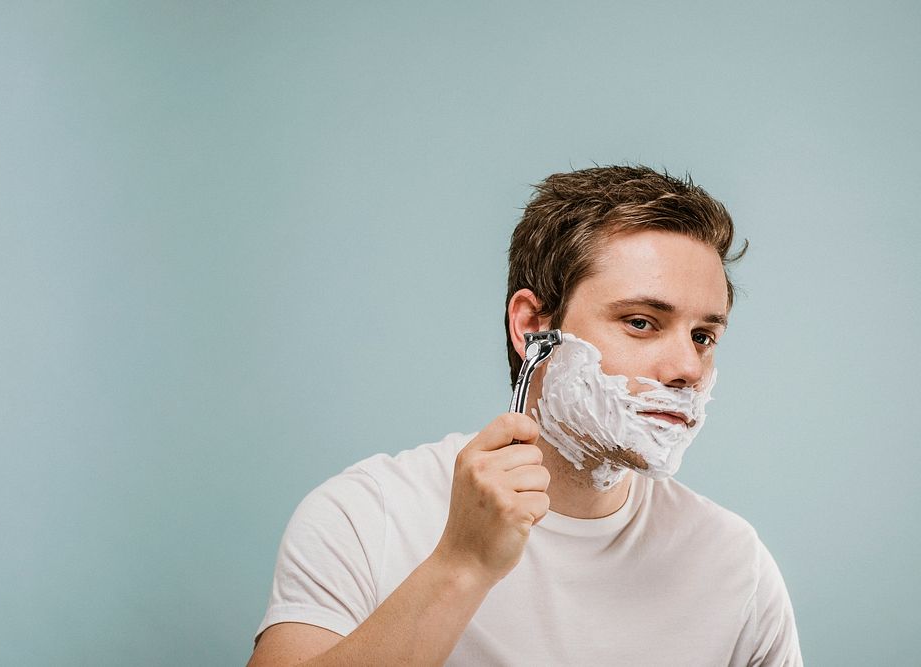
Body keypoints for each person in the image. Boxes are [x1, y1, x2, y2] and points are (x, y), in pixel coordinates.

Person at [248, 166, 802, 666]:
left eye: (704, 336)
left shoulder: (736, 567)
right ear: (534, 327)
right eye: (641, 322)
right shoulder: (368, 516)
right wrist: (461, 565)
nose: (687, 367)